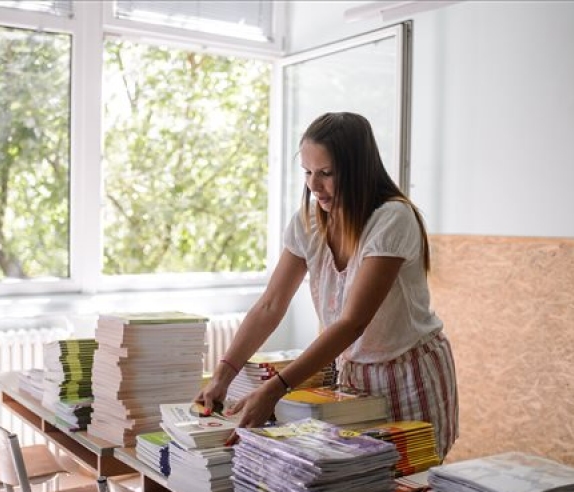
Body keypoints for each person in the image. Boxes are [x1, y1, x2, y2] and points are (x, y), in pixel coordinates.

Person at [196, 111, 458, 460]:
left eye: (326, 174)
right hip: (356, 376)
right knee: (358, 480)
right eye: (307, 172)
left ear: (358, 170)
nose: (313, 185)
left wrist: (275, 389)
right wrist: (223, 374)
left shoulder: (392, 218)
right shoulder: (309, 222)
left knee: (410, 481)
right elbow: (271, 305)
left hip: (409, 373)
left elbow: (352, 322)